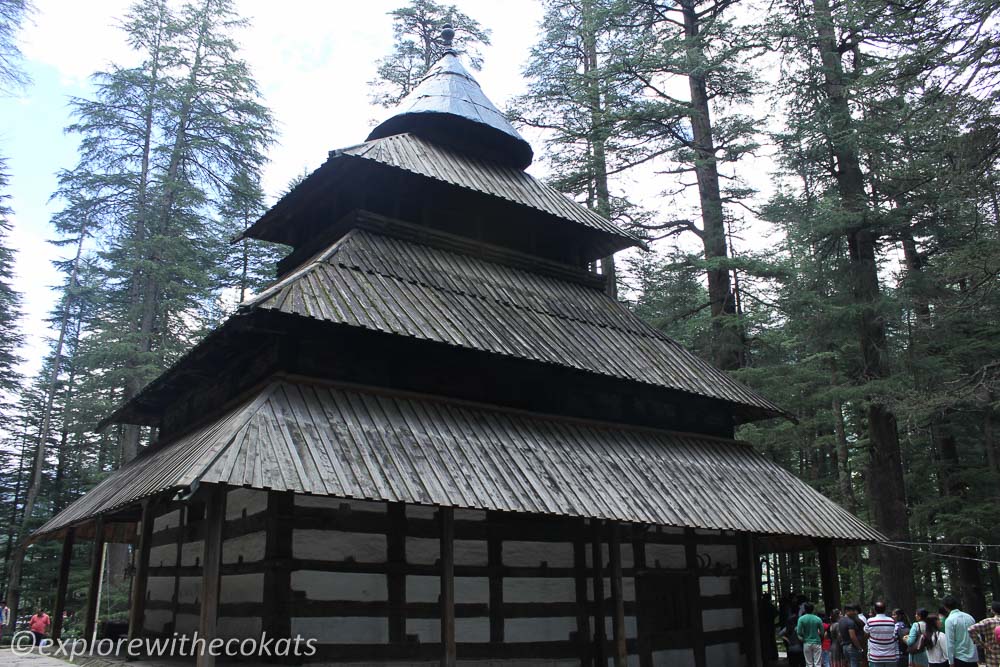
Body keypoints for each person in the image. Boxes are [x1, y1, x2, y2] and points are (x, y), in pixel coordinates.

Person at [942, 595, 977, 667]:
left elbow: (950, 642)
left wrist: (950, 662)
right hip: (973, 657)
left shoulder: (950, 620)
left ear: (945, 607)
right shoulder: (969, 617)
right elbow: (976, 636)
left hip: (960, 658)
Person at [864, 601, 900, 666]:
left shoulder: (870, 621)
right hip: (890, 655)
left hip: (876, 656)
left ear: (874, 610)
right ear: (885, 609)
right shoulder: (891, 621)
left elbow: (866, 634)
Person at [968, 600, 1000, 667]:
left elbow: (970, 629)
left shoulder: (988, 622)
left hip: (992, 659)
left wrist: (982, 644)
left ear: (993, 611)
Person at [798, 602, 825, 667]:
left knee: (809, 663)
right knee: (817, 663)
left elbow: (799, 632)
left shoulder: (801, 619)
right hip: (817, 642)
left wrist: (804, 637)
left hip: (806, 642)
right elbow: (822, 632)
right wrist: (821, 638)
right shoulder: (818, 619)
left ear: (805, 609)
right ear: (813, 609)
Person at [760, 593, 780, 660]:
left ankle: (768, 656)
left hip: (764, 625)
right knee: (771, 640)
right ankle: (773, 655)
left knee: (766, 640)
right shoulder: (770, 606)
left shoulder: (762, 605)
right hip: (770, 624)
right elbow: (777, 613)